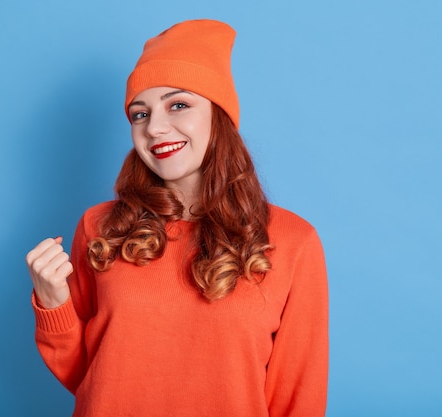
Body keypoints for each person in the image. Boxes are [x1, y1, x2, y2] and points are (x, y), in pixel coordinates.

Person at [26, 19, 328, 417]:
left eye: (178, 105)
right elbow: (89, 376)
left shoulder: (293, 241)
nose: (154, 127)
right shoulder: (100, 228)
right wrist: (53, 304)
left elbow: (297, 396)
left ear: (218, 115)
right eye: (139, 114)